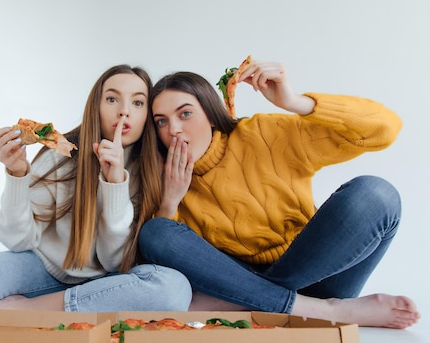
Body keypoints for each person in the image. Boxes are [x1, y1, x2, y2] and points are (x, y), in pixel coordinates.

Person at [138, 60, 421, 329]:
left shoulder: (264, 133)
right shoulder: (159, 177)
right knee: (155, 231)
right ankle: (329, 311)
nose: (173, 130)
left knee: (377, 194)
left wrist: (294, 101)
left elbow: (385, 128)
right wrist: (170, 200)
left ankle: (251, 303)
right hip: (256, 285)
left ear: (211, 115)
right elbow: (164, 267)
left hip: (319, 275)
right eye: (161, 121)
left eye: (185, 114)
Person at [0, 64, 192, 314]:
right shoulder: (59, 156)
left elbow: (114, 262)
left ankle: (29, 310)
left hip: (112, 283)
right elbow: (17, 241)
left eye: (137, 102)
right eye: (112, 99)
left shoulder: (156, 168)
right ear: (96, 107)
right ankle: (37, 306)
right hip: (45, 270)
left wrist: (114, 184)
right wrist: (17, 173)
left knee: (173, 289)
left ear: (147, 115)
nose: (124, 111)